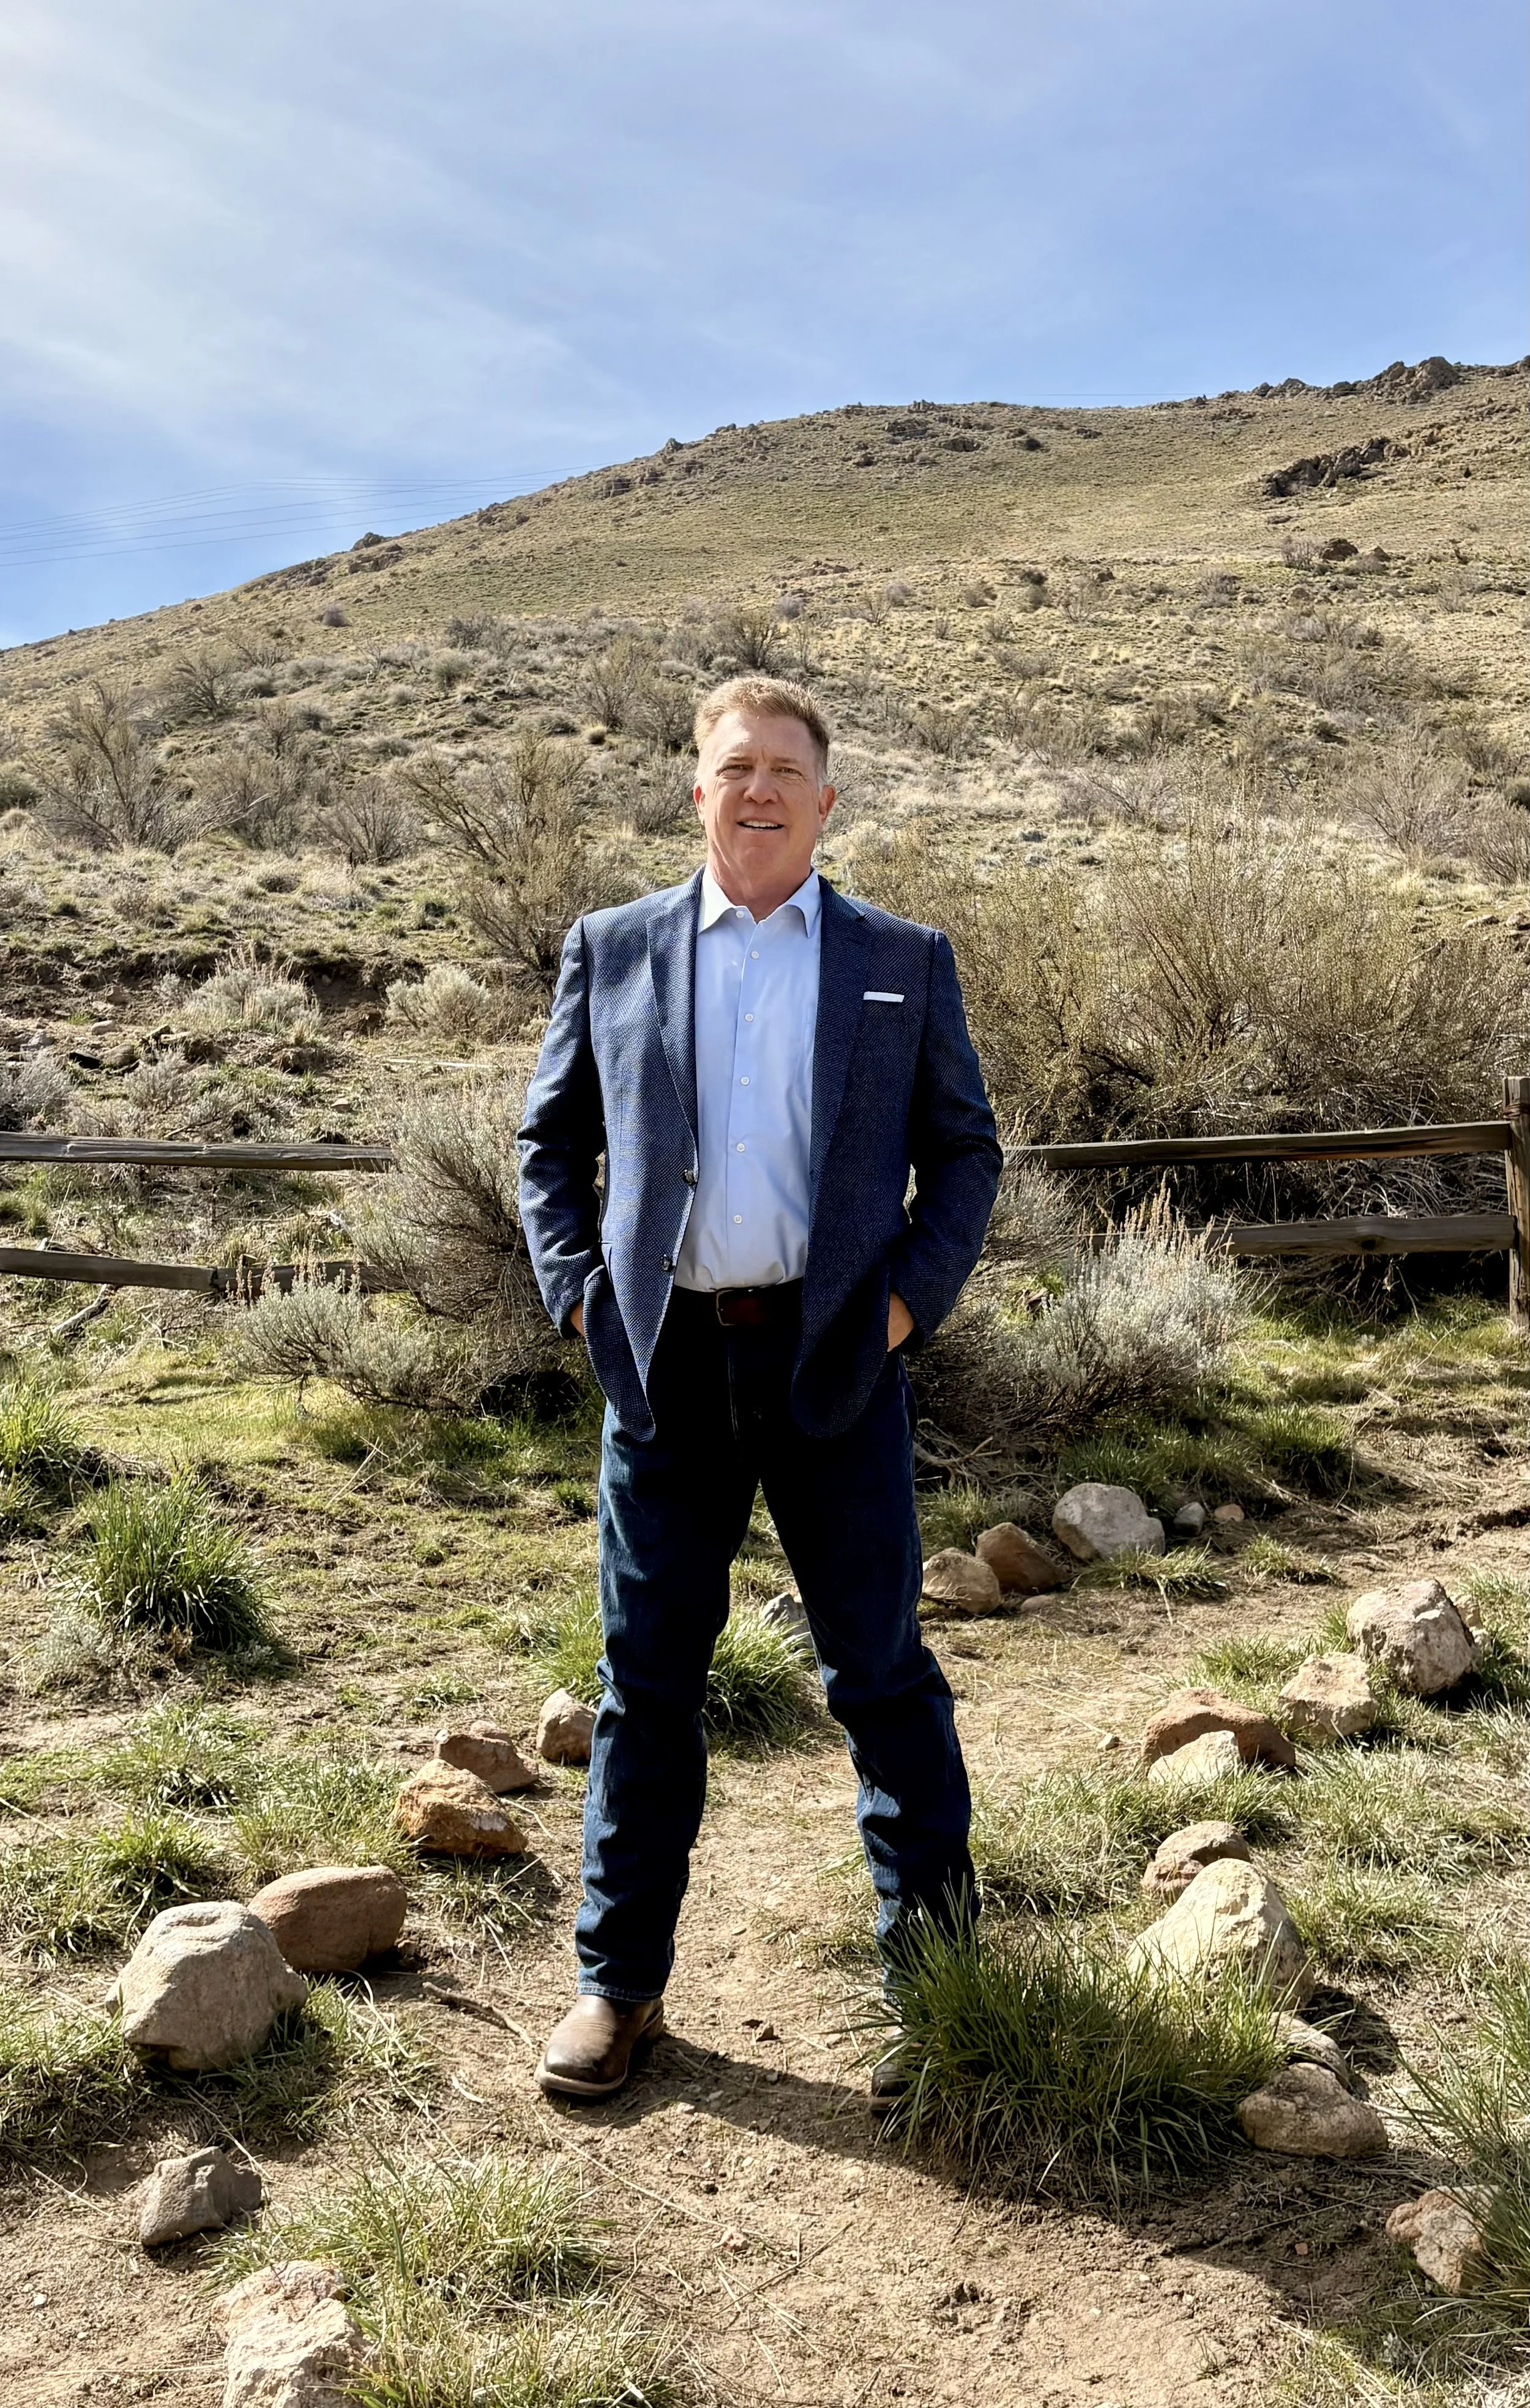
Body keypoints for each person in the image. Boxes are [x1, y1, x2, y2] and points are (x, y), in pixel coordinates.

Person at [517, 674, 1001, 2101]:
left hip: (836, 1356)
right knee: (644, 1683)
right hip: (661, 1367)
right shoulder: (609, 949)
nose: (760, 788)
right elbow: (548, 1148)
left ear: (824, 798)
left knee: (881, 1672)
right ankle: (618, 1985)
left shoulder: (901, 958)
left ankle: (936, 1989)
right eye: (736, 765)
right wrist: (579, 1298)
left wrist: (906, 1302)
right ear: (698, 789)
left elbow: (963, 1151)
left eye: (786, 767)